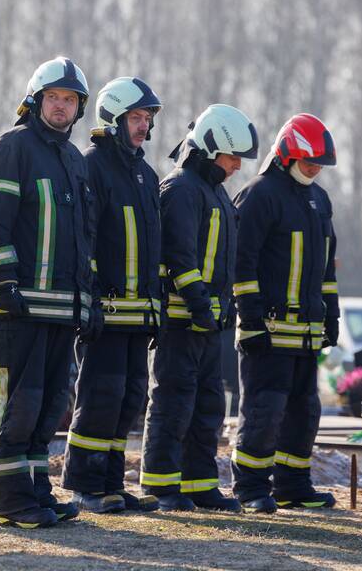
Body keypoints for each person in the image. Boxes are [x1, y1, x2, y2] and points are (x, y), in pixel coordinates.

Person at [0, 56, 99, 528]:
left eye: (69, 100)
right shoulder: (14, 146)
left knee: (47, 408)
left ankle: (36, 493)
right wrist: (5, 284)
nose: (61, 107)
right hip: (18, 309)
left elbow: (83, 238)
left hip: (61, 311)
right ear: (35, 101)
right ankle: (12, 502)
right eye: (53, 98)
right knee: (18, 406)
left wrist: (88, 302)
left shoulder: (71, 158)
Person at [141, 104, 257, 513]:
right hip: (180, 320)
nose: (238, 167)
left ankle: (199, 483)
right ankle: (161, 485)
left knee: (209, 405)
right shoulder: (181, 189)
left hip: (210, 323)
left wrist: (220, 311)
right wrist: (198, 305)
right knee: (173, 402)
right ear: (211, 150)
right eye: (233, 158)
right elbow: (179, 256)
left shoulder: (215, 192)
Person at [61, 77, 165, 514]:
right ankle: (84, 485)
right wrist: (91, 300)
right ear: (113, 119)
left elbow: (154, 246)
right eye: (136, 118)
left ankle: (111, 483)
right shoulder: (92, 165)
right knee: (100, 397)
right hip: (104, 311)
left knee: (128, 399)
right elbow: (86, 240)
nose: (144, 126)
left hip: (138, 315)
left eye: (147, 119)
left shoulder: (145, 173)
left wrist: (156, 305)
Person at [230, 113, 340, 513]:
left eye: (320, 164)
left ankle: (293, 484)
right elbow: (241, 264)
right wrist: (252, 320)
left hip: (307, 332)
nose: (315, 169)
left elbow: (327, 266)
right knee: (264, 410)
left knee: (304, 412)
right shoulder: (259, 195)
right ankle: (251, 488)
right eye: (309, 161)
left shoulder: (318, 200)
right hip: (269, 332)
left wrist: (332, 315)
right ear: (287, 154)